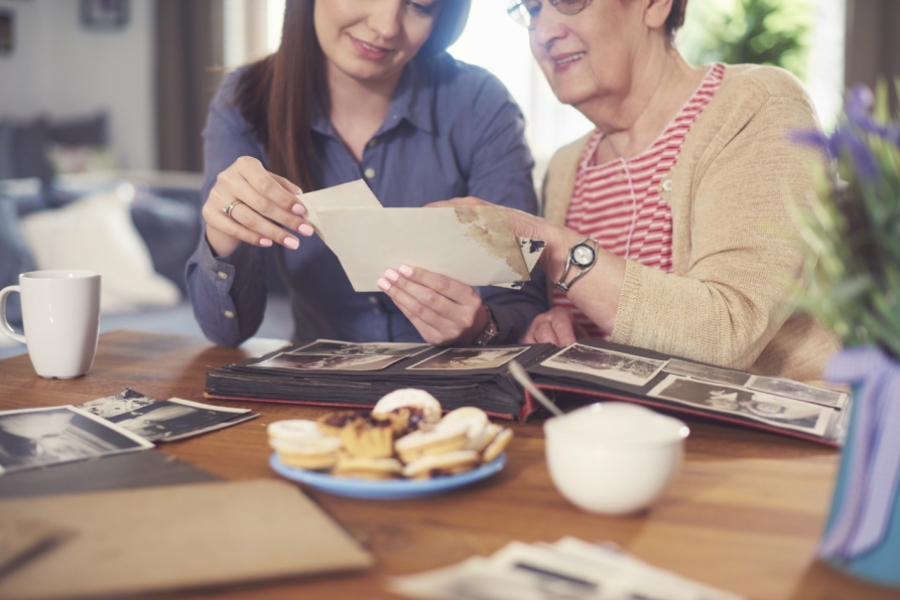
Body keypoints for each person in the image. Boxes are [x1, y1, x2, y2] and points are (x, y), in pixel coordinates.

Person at [410, 0, 838, 380]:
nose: (543, 33)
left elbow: (727, 334)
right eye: (533, 9)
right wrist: (557, 327)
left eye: (569, 2)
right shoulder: (566, 166)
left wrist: (554, 246)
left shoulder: (758, 105)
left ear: (655, 5)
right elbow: (605, 332)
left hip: (765, 451)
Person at [185, 0, 547, 348]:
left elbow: (522, 302)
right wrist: (222, 236)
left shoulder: (479, 103)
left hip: (456, 388)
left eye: (419, 6)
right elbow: (226, 332)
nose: (385, 27)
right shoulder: (246, 101)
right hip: (318, 391)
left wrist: (482, 325)